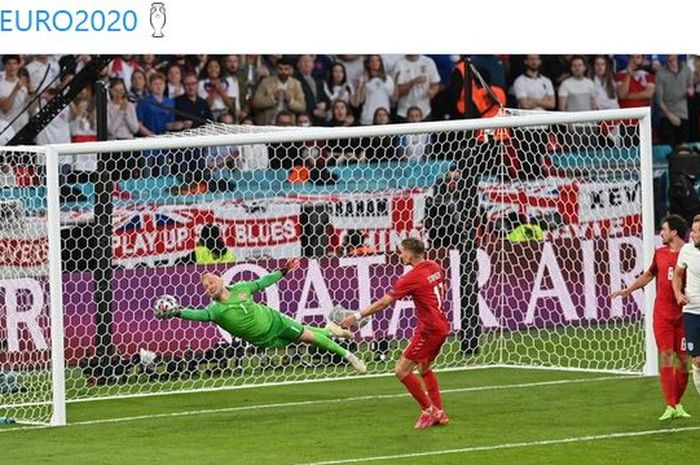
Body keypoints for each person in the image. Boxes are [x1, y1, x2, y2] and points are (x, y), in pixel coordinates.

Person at [155, 258, 367, 374]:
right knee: (310, 335)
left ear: (220, 279)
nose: (209, 287)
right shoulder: (215, 310)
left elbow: (263, 282)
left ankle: (349, 356)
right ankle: (332, 329)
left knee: (309, 338)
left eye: (211, 282)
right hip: (264, 340)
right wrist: (177, 312)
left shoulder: (241, 288)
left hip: (275, 321)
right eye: (205, 286)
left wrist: (283, 271)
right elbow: (197, 315)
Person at [340, 238, 450, 429]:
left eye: (401, 252)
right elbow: (443, 288)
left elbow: (384, 302)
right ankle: (440, 412)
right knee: (424, 369)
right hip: (441, 326)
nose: (400, 255)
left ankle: (429, 411)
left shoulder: (412, 277)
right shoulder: (434, 266)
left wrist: (355, 316)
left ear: (409, 253)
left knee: (401, 370)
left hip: (429, 329)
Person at [611, 215, 691, 420]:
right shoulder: (660, 253)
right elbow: (649, 274)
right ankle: (671, 405)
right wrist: (628, 290)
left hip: (685, 315)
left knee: (683, 360)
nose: (661, 233)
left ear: (673, 232)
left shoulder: (691, 254)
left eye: (663, 229)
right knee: (665, 354)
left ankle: (677, 403)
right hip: (662, 315)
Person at [673, 214, 700, 407]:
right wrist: (677, 292)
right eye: (693, 229)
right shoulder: (687, 251)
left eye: (697, 231)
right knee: (697, 361)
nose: (693, 234)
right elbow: (677, 274)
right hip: (692, 311)